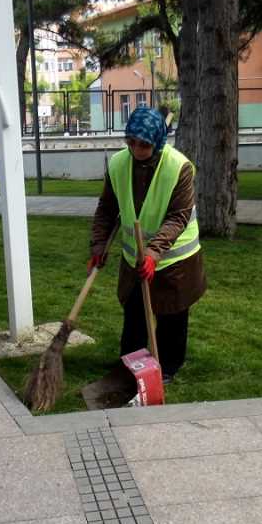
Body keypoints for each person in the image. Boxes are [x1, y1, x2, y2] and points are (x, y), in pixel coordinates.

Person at [89, 107, 206, 391]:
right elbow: (107, 208)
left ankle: (168, 365)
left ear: (157, 141)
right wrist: (98, 244)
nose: (136, 149)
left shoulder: (179, 167)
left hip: (175, 258)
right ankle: (131, 362)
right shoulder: (118, 164)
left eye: (143, 144)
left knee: (171, 314)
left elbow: (178, 216)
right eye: (131, 142)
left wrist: (153, 253)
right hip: (134, 258)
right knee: (134, 312)